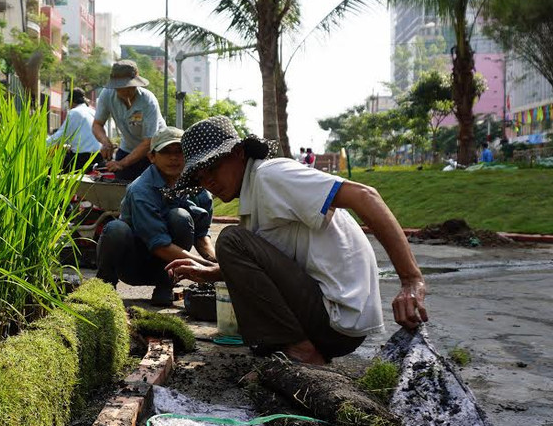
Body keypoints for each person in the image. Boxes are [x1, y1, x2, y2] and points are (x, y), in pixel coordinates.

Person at [166, 116, 428, 365]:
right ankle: (296, 347)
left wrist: (410, 279)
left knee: (230, 240)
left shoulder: (270, 176)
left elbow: (365, 196)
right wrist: (212, 273)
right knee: (235, 243)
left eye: (213, 167)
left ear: (239, 153)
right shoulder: (254, 195)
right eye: (200, 177)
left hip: (337, 317)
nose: (209, 181)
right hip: (331, 320)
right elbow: (270, 269)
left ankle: (299, 351)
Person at [97, 126, 215, 305]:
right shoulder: (140, 190)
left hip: (166, 267)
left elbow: (201, 235)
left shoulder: (197, 187)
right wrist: (208, 269)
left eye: (179, 151)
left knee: (180, 217)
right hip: (133, 264)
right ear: (152, 157)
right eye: (166, 152)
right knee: (116, 229)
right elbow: (159, 245)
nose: (174, 158)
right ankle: (104, 288)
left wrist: (217, 263)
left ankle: (165, 285)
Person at [92, 60, 167, 182]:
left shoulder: (148, 101)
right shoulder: (107, 95)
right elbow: (97, 124)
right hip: (127, 147)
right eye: (120, 87)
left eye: (129, 87)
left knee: (150, 190)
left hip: (154, 151)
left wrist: (122, 163)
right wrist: (105, 142)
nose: (124, 92)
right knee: (120, 188)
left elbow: (149, 141)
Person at [46, 87, 105, 173]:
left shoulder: (74, 112)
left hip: (82, 157)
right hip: (99, 156)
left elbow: (62, 135)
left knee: (50, 172)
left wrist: (43, 144)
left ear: (71, 101)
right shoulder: (93, 111)